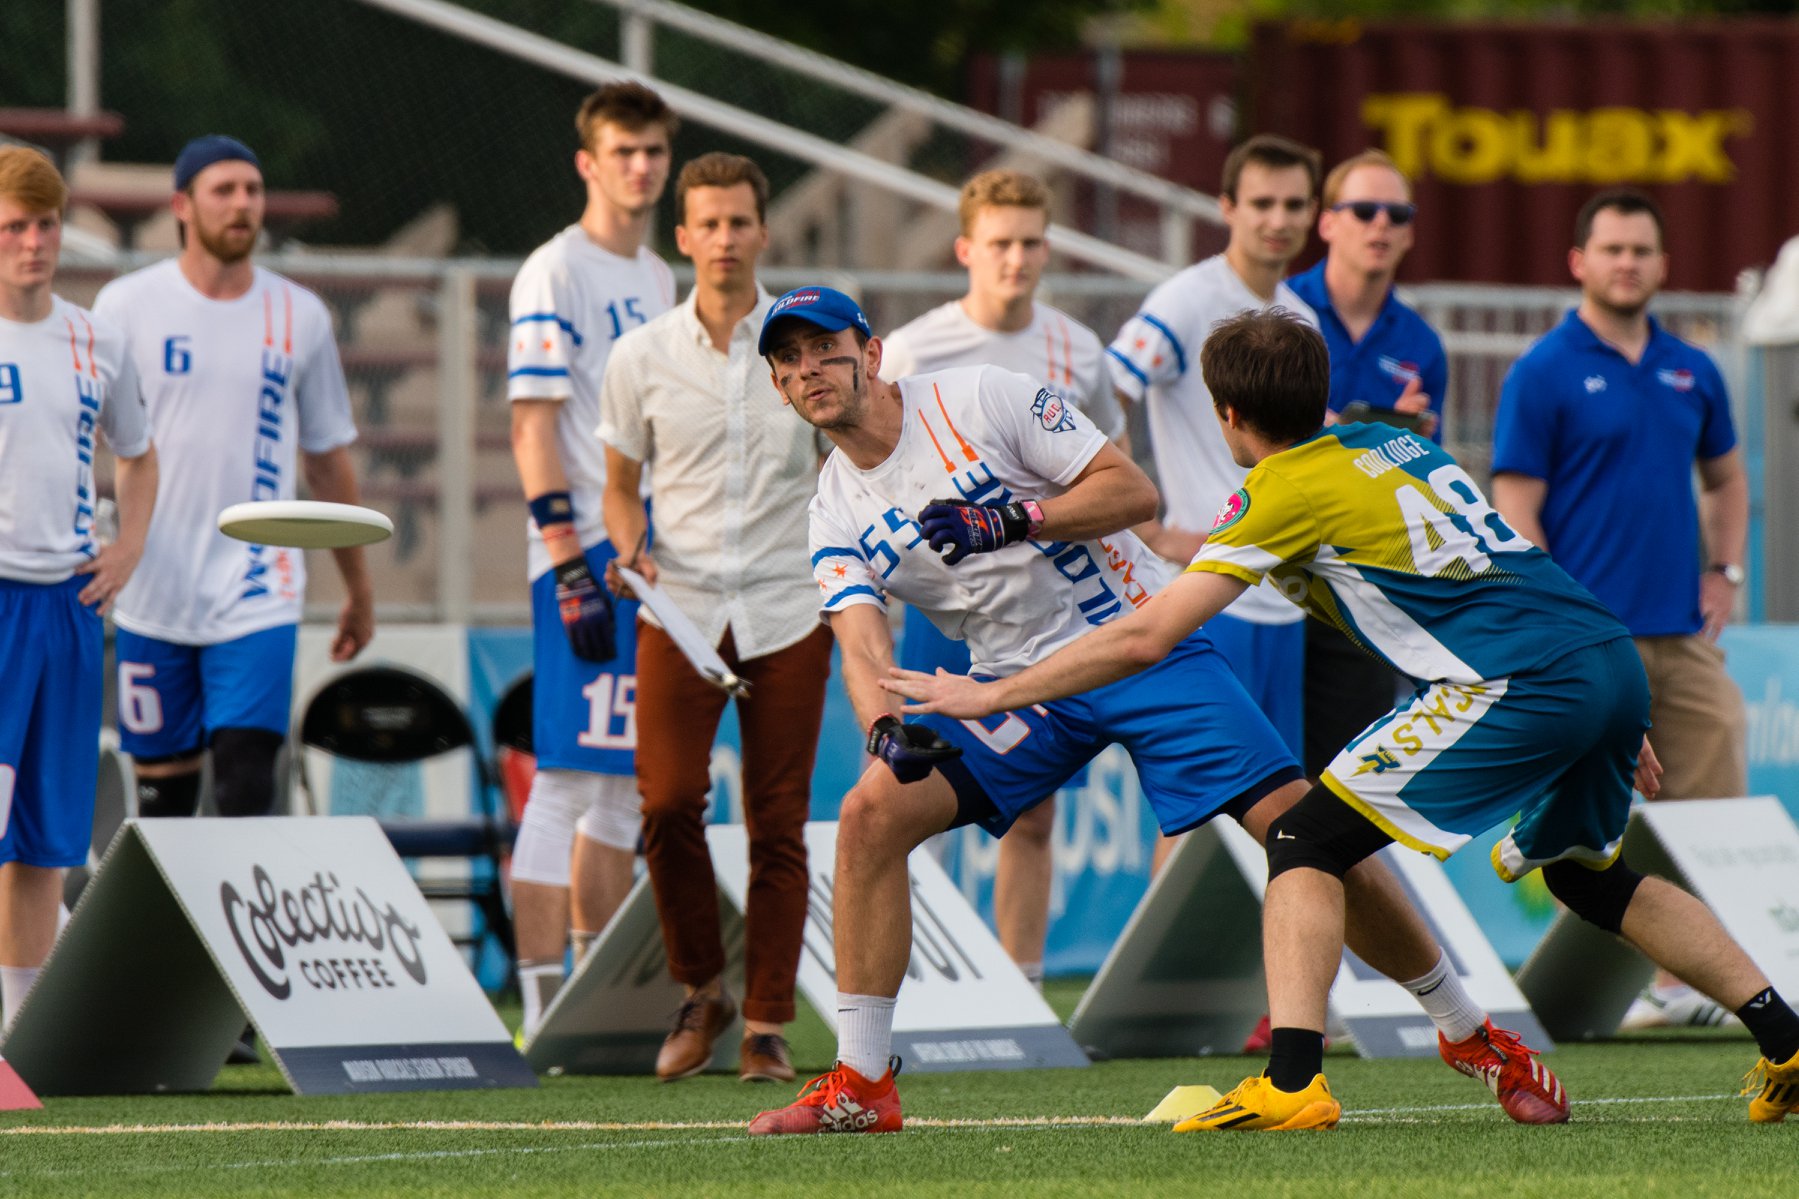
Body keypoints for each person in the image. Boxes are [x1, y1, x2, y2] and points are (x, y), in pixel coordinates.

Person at [888, 308, 1799, 1130]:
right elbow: (1501, 565)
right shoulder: (1397, 449)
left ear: (1226, 417)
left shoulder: (1277, 490)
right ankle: (1786, 1040)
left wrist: (991, 692)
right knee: (1590, 879)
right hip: (1596, 653)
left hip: (1520, 681)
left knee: (1303, 839)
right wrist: (1607, 708)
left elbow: (1147, 636)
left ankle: (1292, 1083)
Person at [748, 287, 1568, 1136]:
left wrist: (1009, 519)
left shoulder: (980, 395)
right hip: (1022, 687)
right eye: (789, 360)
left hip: (1142, 643)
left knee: (1303, 828)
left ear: (871, 353)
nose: (810, 370)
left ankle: (1468, 1033)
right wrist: (881, 727)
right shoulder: (831, 509)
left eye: (825, 349)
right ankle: (861, 1084)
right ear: (777, 386)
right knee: (868, 812)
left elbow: (1131, 493)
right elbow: (860, 643)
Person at [1491, 187, 1752, 1029]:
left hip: (1680, 632)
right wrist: (1554, 616)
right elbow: (1514, 502)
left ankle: (1689, 989)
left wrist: (1725, 570)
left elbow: (1725, 477)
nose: (1627, 262)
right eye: (1611, 249)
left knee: (1712, 804)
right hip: (1588, 641)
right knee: (1585, 823)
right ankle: (1582, 993)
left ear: (1661, 264)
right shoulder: (1541, 371)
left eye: (1641, 250)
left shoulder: (1692, 368)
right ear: (1578, 261)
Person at [599, 154, 832, 1084]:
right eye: (709, 223)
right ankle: (703, 988)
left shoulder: (810, 344)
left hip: (790, 602)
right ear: (683, 235)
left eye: (741, 222)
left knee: (778, 822)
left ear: (763, 233)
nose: (726, 239)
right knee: (662, 804)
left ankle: (767, 1024)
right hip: (681, 606)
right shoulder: (639, 355)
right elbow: (619, 486)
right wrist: (629, 547)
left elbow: (851, 460)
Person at [879, 168, 1125, 989]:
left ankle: (1018, 988)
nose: (1014, 259)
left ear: (1047, 248)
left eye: (1029, 243)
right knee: (912, 797)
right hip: (937, 606)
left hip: (1039, 612)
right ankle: (912, 984)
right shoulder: (913, 348)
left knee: (1031, 806)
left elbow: (1108, 468)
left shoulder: (1076, 348)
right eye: (998, 244)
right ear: (964, 250)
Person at [96, 136, 371, 824]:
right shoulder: (125, 307)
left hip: (257, 587)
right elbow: (77, 433)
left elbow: (326, 457)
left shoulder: (299, 315)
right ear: (182, 206)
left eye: (252, 189)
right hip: (152, 587)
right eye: (224, 190)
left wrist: (357, 586)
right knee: (162, 802)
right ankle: (171, 937)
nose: (243, 203)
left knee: (248, 786)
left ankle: (236, 935)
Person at [507, 82, 678, 1039]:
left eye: (652, 150)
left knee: (621, 787)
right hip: (578, 559)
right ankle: (538, 1004)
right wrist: (568, 558)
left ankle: (595, 1008)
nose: (641, 167)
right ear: (588, 161)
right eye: (623, 150)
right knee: (567, 778)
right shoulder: (554, 272)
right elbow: (531, 422)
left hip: (644, 558)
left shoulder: (658, 276)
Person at [0, 146, 157, 1030]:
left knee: (45, 842)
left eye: (46, 224)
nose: (33, 243)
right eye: (13, 227)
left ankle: (18, 1045)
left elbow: (138, 456)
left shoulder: (98, 336)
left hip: (67, 607)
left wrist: (127, 545)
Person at [1106, 134, 1321, 763]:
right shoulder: (1185, 301)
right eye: (1262, 203)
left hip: (1287, 600)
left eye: (1293, 204)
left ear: (1312, 213)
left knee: (1278, 809)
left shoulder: (1302, 315)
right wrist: (1145, 526)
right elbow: (1100, 396)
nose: (1278, 220)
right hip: (1209, 597)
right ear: (1227, 207)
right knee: (1202, 800)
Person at [1286, 149, 1448, 781]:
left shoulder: (1421, 345)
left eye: (1396, 213)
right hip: (1270, 567)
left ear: (1409, 232)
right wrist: (1362, 431)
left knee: (1344, 784)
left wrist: (1409, 442)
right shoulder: (1280, 310)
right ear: (1327, 223)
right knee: (1249, 782)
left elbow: (1417, 470)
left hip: (1359, 580)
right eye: (1363, 210)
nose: (1379, 225)